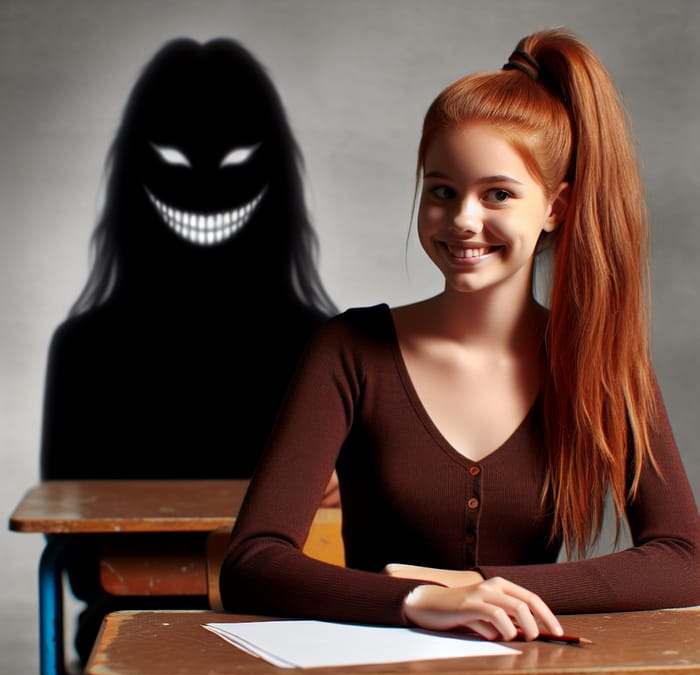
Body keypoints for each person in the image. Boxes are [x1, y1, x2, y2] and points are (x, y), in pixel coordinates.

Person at [220, 28, 700, 641]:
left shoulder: (601, 364)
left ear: (555, 207)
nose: (463, 220)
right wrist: (414, 600)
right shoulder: (347, 352)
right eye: (442, 192)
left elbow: (685, 561)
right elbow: (252, 563)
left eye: (497, 193)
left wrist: (482, 589)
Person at [39, 37, 338, 665]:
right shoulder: (85, 350)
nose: (204, 188)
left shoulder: (331, 346)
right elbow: (76, 558)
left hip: (298, 626)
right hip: (135, 630)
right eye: (175, 158)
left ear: (272, 172)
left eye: (234, 161)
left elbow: (359, 539)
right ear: (135, 172)